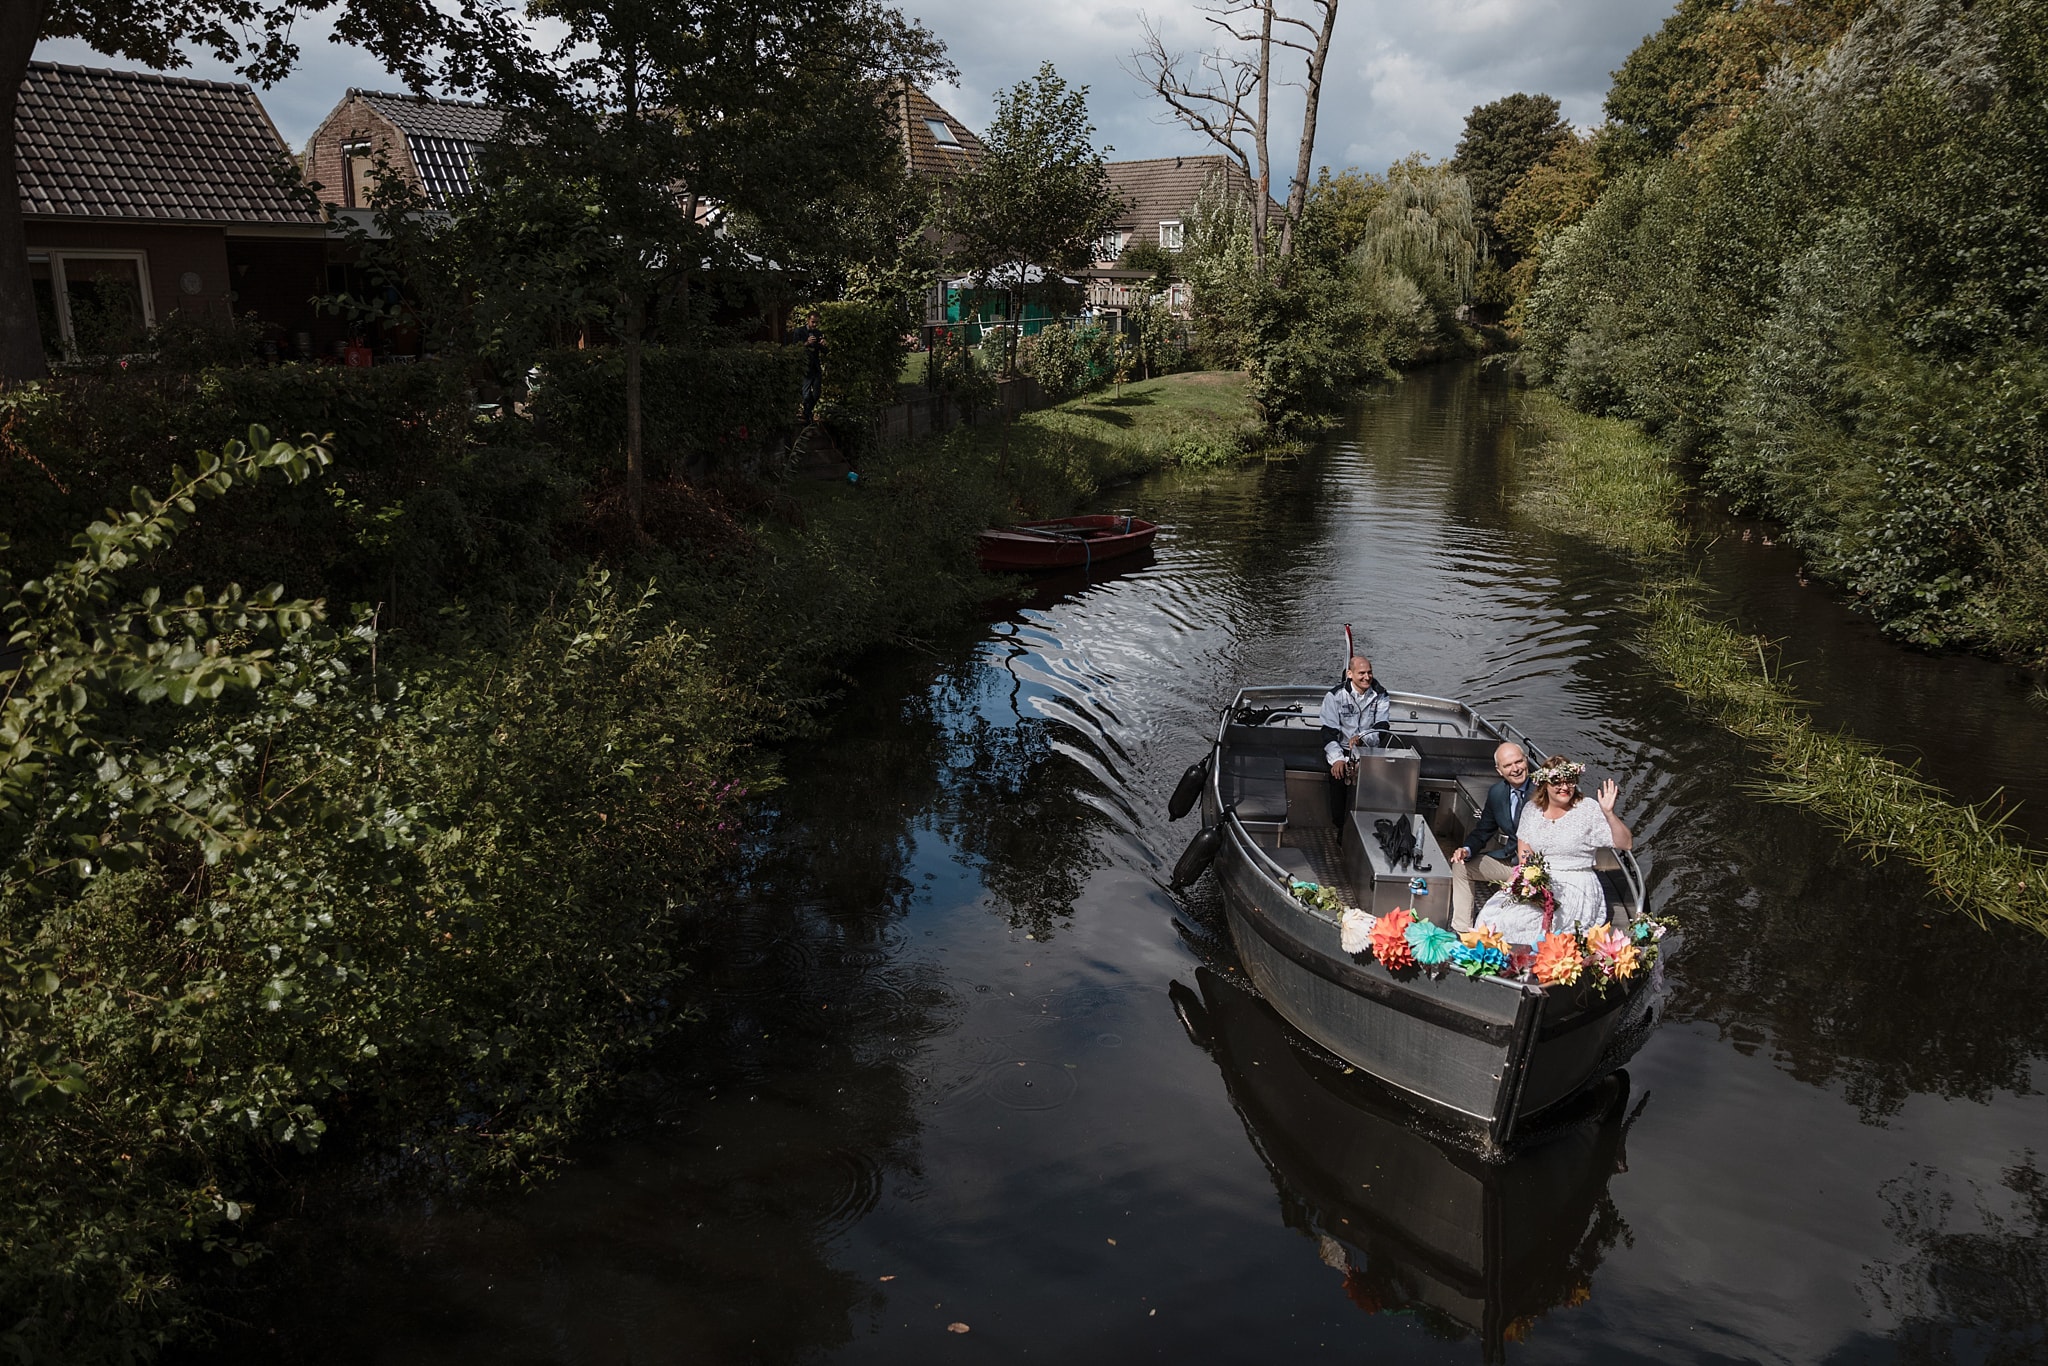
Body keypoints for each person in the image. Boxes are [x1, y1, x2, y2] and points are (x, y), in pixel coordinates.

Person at [1474, 756, 1635, 945]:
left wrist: (1608, 813)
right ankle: (1507, 963)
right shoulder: (1531, 810)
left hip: (1577, 883)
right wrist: (1515, 885)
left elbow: (1626, 844)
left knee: (1536, 925)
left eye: (1569, 781)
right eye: (1557, 782)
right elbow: (1526, 858)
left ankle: (1537, 964)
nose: (1565, 787)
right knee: (1495, 916)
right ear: (1544, 784)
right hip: (1539, 880)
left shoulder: (1587, 809)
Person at [1448, 742, 1533, 930]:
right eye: (1508, 766)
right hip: (1510, 862)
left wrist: (1529, 872)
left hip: (1538, 869)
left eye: (1519, 762)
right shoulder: (1497, 793)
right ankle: (1462, 931)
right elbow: (1483, 830)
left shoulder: (1544, 791)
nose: (1516, 769)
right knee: (1462, 867)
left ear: (1526, 761)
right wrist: (1466, 849)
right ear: (1499, 770)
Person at [1318, 655, 1391, 823]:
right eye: (1362, 673)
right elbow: (1329, 731)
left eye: (1369, 672)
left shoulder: (1381, 695)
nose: (1367, 677)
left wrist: (1363, 738)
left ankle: (1369, 824)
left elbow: (1382, 727)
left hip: (1369, 748)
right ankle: (1340, 826)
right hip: (1342, 748)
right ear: (1350, 674)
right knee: (1338, 776)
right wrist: (1337, 759)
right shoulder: (1335, 696)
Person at [798, 311, 827, 424]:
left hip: (815, 367)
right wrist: (806, 343)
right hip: (805, 366)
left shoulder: (818, 333)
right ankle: (807, 414)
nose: (815, 325)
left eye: (817, 323)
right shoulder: (799, 331)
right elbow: (794, 347)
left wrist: (824, 344)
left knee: (816, 393)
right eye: (813, 322)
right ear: (808, 320)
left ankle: (807, 412)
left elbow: (824, 351)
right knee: (805, 394)